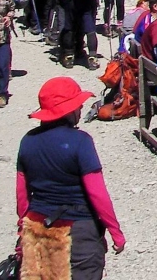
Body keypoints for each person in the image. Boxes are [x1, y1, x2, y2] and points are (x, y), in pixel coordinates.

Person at [17, 77, 126, 279]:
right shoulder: (81, 142)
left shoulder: (27, 141)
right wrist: (115, 232)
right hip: (77, 231)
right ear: (69, 110)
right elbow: (97, 193)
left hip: (38, 229)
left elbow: (22, 195)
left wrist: (21, 231)